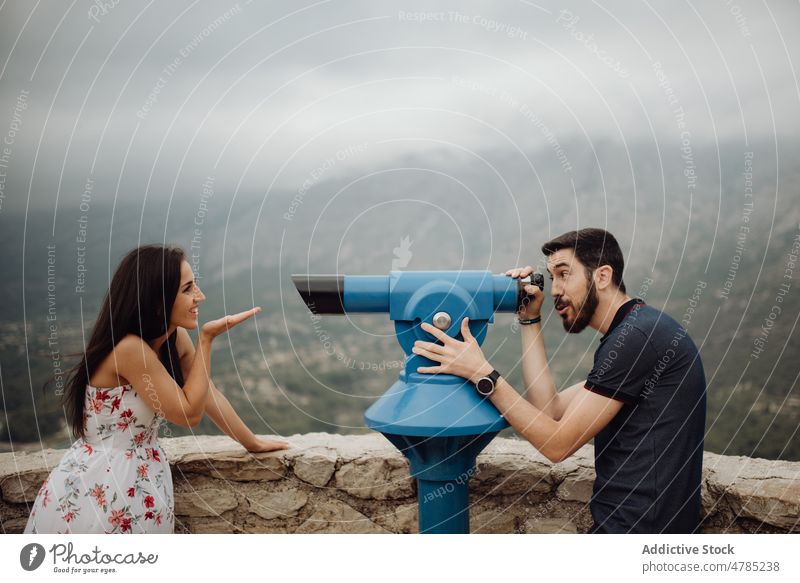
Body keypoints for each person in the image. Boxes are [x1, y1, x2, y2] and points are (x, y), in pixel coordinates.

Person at [412, 228, 707, 533]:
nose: (554, 290)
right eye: (552, 278)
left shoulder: (638, 338)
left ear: (602, 276)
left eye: (565, 274)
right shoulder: (635, 331)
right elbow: (549, 410)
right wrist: (528, 317)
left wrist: (481, 373)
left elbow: (557, 445)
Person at [25, 244, 288, 534]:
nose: (200, 296)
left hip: (143, 478)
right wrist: (207, 340)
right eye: (188, 289)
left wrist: (252, 443)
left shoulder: (173, 339)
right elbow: (189, 414)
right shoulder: (129, 350)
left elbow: (206, 393)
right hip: (104, 484)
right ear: (158, 300)